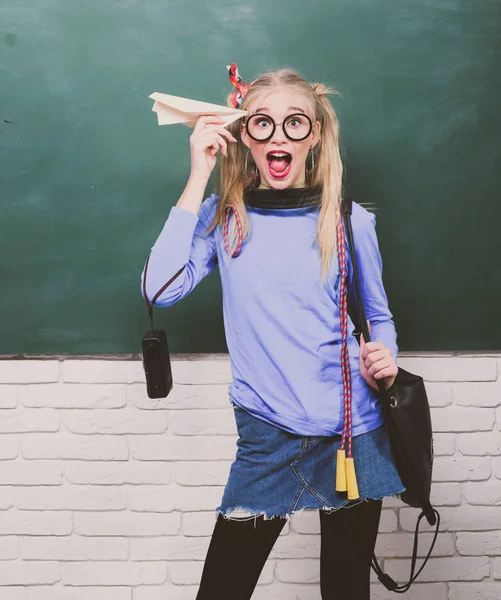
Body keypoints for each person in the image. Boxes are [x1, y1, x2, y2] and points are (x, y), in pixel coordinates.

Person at [141, 65, 405, 600]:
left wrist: (387, 357)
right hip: (266, 435)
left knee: (345, 591)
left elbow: (378, 316)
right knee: (222, 590)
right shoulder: (225, 218)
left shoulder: (350, 221)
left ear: (315, 135)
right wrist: (198, 175)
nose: (279, 136)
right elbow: (158, 288)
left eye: (294, 124)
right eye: (263, 124)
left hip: (351, 435)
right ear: (244, 134)